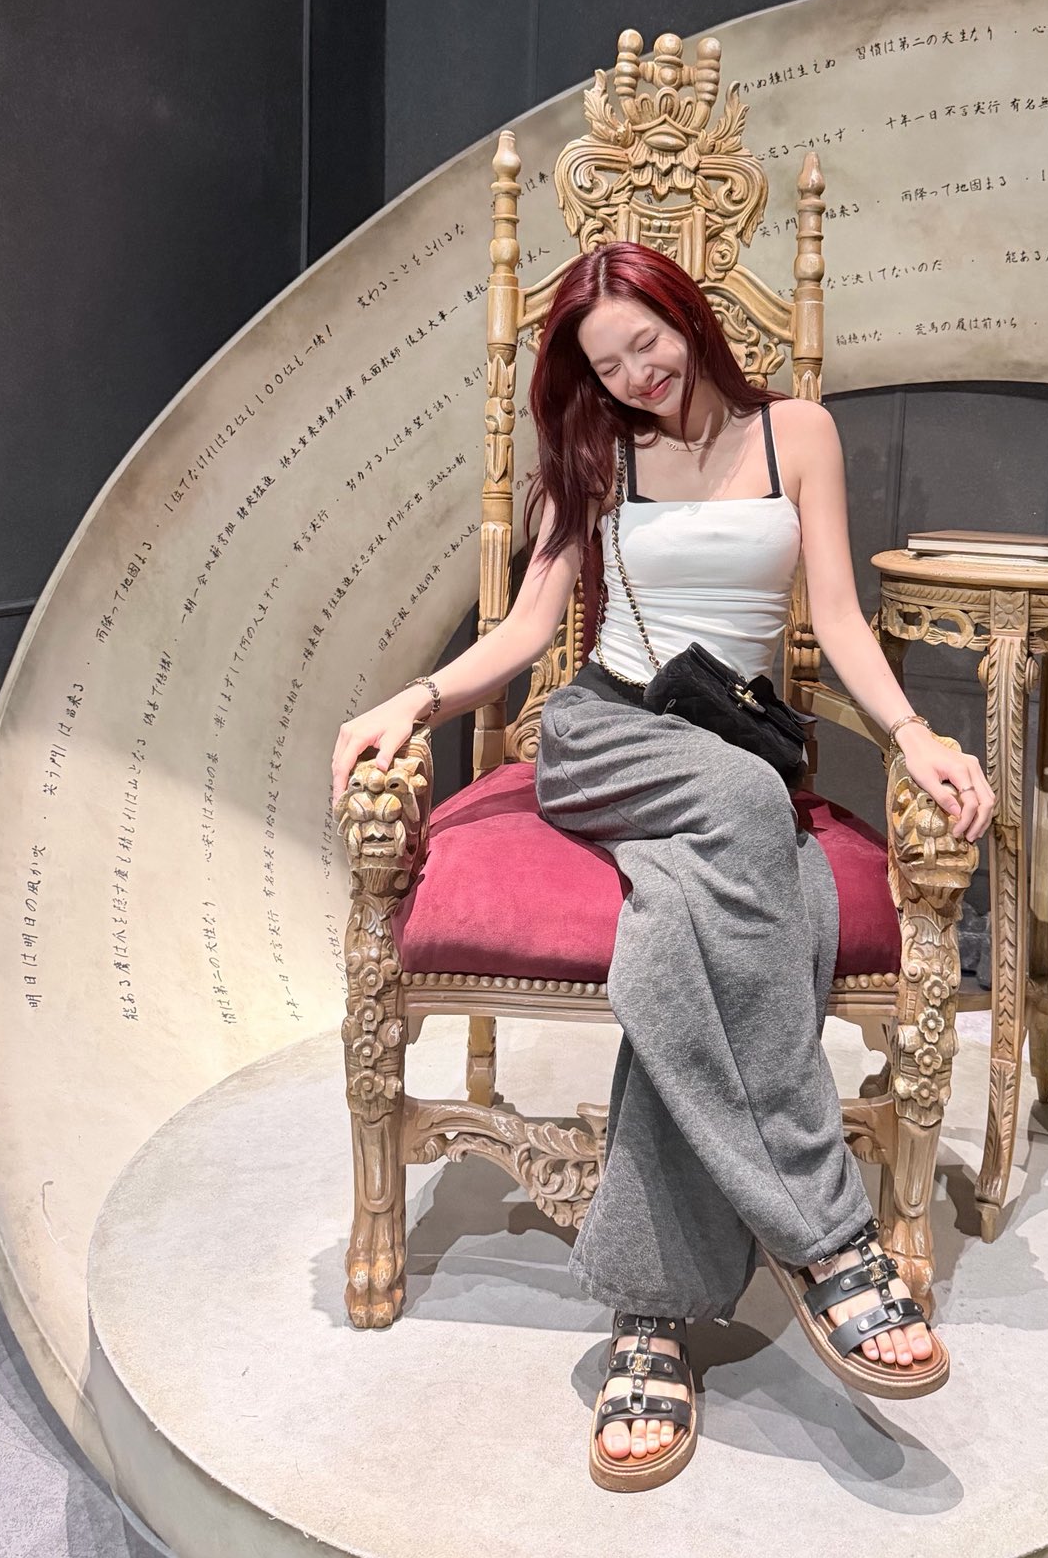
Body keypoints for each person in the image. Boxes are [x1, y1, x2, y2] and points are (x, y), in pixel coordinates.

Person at [330, 242, 995, 1491]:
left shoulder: (798, 434)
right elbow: (528, 631)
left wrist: (915, 733)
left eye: (647, 341)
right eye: (607, 363)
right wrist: (414, 699)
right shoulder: (599, 456)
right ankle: (827, 1234)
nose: (637, 374)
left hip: (726, 747)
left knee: (687, 921)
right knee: (751, 809)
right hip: (605, 736)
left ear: (686, 314)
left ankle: (649, 1310)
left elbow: (837, 617)